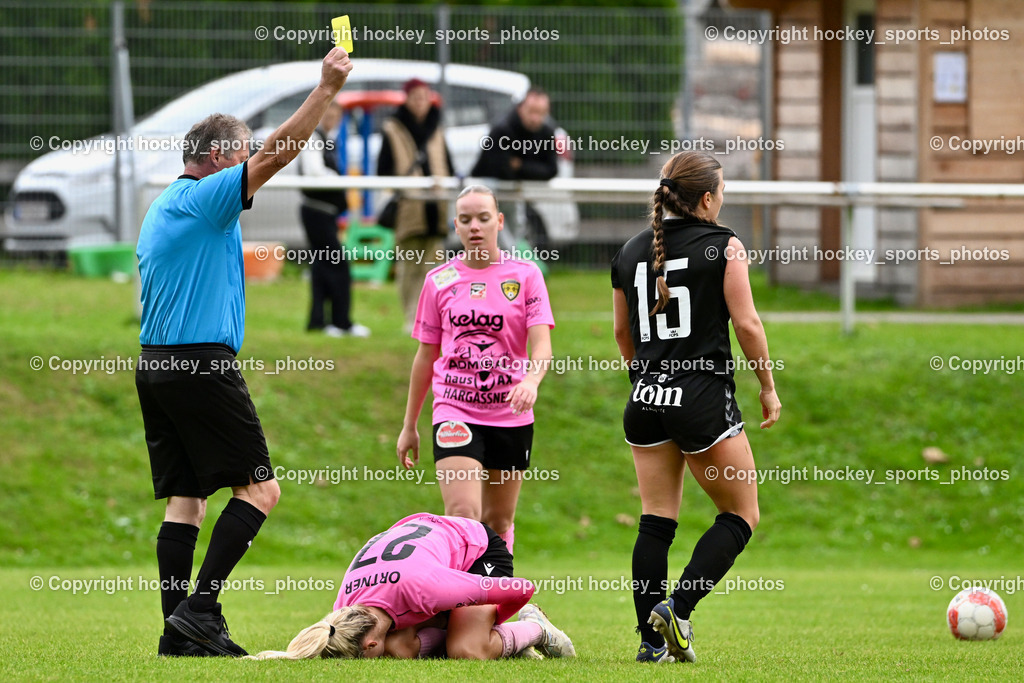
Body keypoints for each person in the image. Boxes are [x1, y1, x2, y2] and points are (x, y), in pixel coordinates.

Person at [134, 47, 353, 658]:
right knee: (261, 491)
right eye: (243, 151)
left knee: (188, 500)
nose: (250, 161)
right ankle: (201, 611)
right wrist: (325, 90)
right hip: (201, 364)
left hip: (158, 364)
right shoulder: (205, 199)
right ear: (221, 158)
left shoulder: (165, 205)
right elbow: (281, 150)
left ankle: (177, 630)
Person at [610, 151, 781, 664]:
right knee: (742, 512)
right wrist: (768, 386)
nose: (723, 198)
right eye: (722, 191)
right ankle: (677, 610)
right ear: (706, 199)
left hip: (646, 398)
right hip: (700, 400)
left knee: (655, 520)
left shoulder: (630, 250)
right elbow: (747, 325)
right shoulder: (724, 245)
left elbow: (624, 335)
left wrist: (648, 379)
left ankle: (649, 643)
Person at [396, 186, 554, 559]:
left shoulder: (526, 275)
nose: (475, 227)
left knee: (498, 521)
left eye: (483, 218)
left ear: (499, 221)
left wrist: (531, 380)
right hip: (455, 410)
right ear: (456, 226)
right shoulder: (439, 281)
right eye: (465, 219)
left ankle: (495, 604)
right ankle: (458, 607)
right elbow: (425, 356)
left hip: (510, 415)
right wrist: (409, 424)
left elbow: (542, 345)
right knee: (464, 516)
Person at [246, 512, 575, 660]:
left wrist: (489, 625)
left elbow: (521, 588)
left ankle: (535, 628)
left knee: (467, 650)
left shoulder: (426, 588)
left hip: (476, 549)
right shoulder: (343, 611)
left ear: (370, 645)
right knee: (399, 650)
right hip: (418, 559)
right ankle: (490, 639)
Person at [377, 78, 454, 332]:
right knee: (410, 266)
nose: (421, 102)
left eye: (425, 97)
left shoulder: (438, 127)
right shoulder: (393, 128)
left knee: (436, 265)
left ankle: (435, 317)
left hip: (437, 206)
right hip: (410, 208)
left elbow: (448, 165)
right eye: (416, 97)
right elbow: (383, 171)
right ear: (407, 99)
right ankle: (411, 318)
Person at [297, 99, 370, 338]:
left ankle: (319, 322)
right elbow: (314, 172)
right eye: (329, 112)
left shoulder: (326, 139)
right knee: (337, 266)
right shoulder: (312, 138)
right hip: (316, 212)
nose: (333, 118)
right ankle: (341, 322)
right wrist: (342, 180)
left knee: (321, 268)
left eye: (337, 114)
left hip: (325, 214)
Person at [471, 88, 558, 182]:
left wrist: (520, 166)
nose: (535, 118)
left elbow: (551, 170)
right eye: (531, 111)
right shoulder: (502, 131)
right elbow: (502, 172)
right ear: (520, 108)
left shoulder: (547, 132)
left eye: (541, 113)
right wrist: (534, 169)